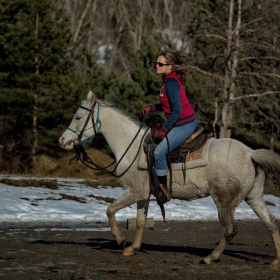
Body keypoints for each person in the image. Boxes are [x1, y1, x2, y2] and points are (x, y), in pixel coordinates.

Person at [140, 50, 198, 205]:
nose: (156, 66)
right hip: (180, 122)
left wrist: (164, 129)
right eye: (156, 63)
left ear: (169, 66)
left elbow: (177, 110)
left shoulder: (171, 83)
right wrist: (152, 107)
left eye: (160, 64)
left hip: (185, 124)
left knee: (158, 152)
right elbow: (168, 104)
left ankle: (163, 190)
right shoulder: (168, 80)